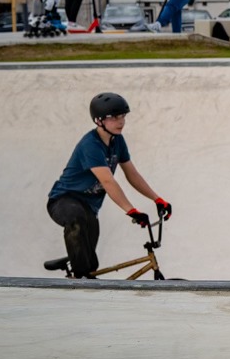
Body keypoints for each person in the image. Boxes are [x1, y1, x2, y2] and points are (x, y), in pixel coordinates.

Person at [47, 93, 170, 278]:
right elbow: (107, 181)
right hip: (63, 201)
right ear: (99, 121)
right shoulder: (90, 145)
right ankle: (79, 281)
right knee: (77, 220)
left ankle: (85, 283)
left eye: (123, 116)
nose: (120, 122)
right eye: (113, 117)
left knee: (91, 265)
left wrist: (157, 199)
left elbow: (132, 174)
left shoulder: (117, 141)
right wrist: (131, 210)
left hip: (89, 208)